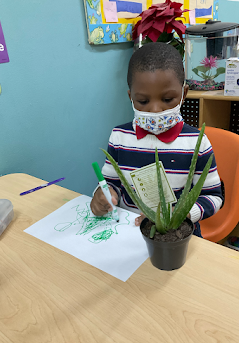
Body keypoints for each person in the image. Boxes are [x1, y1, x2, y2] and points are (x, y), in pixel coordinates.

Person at [90, 42, 223, 237]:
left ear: (184, 94)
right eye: (143, 101)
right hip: (129, 231)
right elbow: (112, 183)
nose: (155, 110)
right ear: (131, 97)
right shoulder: (119, 137)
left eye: (168, 99)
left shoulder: (197, 143)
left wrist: (178, 216)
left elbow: (214, 197)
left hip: (177, 235)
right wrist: (102, 195)